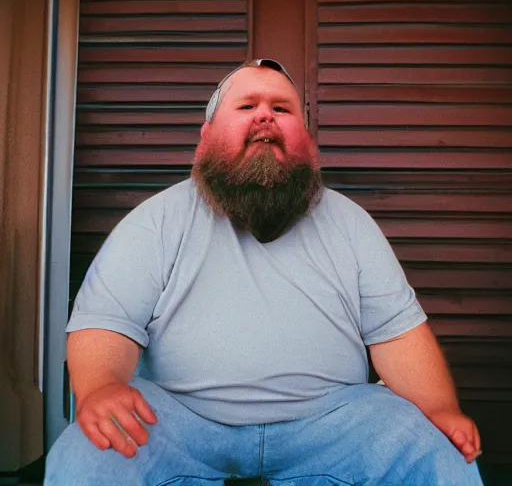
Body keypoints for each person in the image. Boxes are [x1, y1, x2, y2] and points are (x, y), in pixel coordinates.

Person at [44, 59, 484, 485]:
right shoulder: (154, 221)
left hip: (333, 422)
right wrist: (100, 387)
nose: (265, 118)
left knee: (433, 453)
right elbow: (107, 324)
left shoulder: (351, 224)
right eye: (246, 106)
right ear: (205, 139)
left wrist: (441, 408)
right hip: (179, 421)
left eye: (281, 108)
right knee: (87, 457)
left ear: (308, 143)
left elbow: (398, 335)